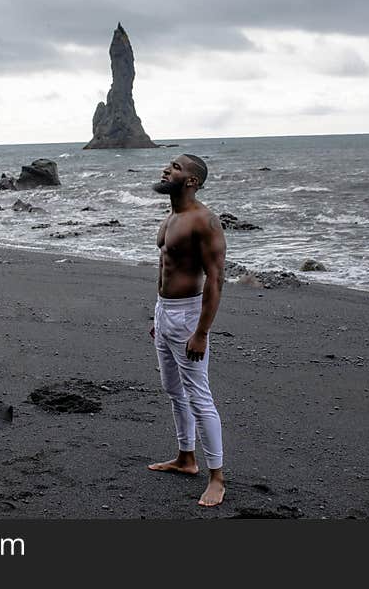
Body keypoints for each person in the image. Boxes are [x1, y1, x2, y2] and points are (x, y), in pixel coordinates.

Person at [149, 153, 227, 507]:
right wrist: (158, 317)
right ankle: (186, 458)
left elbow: (216, 280)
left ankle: (217, 477)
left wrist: (202, 332)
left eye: (176, 167)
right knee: (173, 390)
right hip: (165, 313)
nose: (167, 169)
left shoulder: (204, 221)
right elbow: (164, 268)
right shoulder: (171, 217)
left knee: (199, 395)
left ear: (192, 181)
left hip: (188, 317)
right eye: (169, 165)